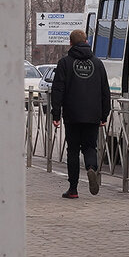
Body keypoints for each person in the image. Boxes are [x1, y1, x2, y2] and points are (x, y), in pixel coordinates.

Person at [51, 29, 111, 199]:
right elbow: (105, 91)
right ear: (86, 41)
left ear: (70, 43)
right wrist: (104, 115)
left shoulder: (65, 63)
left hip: (72, 114)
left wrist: (56, 115)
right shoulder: (98, 64)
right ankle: (91, 168)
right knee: (89, 147)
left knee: (73, 150)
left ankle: (73, 189)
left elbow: (58, 90)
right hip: (93, 114)